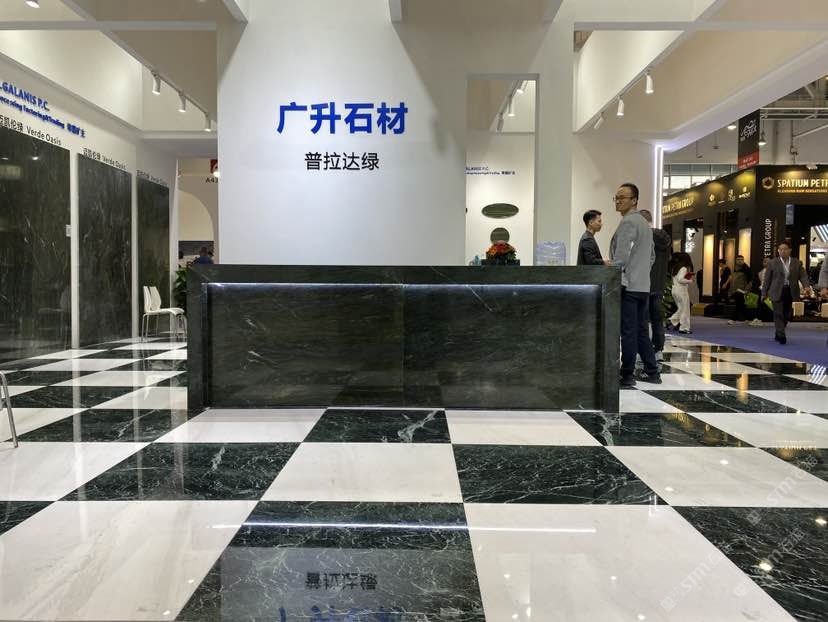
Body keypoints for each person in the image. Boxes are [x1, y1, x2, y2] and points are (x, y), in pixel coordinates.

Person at [609, 183, 661, 387]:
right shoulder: (644, 224)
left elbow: (621, 257)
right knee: (641, 330)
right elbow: (652, 256)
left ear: (634, 200)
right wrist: (640, 271)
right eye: (616, 197)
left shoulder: (628, 222)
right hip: (642, 285)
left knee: (629, 331)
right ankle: (652, 371)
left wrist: (617, 270)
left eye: (622, 197)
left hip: (628, 286)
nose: (618, 201)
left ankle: (627, 374)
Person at [761, 242, 811, 344]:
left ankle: (778, 331)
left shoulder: (797, 262)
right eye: (780, 249)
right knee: (778, 313)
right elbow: (767, 280)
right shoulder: (772, 263)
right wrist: (764, 293)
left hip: (790, 291)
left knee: (786, 314)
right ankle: (781, 335)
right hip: (776, 291)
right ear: (778, 251)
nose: (782, 251)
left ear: (789, 250)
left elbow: (803, 276)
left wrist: (806, 286)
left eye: (785, 249)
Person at [638, 209, 671, 361]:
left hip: (643, 284)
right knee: (657, 319)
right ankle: (658, 350)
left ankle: (643, 351)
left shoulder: (643, 237)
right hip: (659, 284)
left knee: (642, 320)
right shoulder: (665, 238)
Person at [668, 253, 694, 333]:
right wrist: (690, 281)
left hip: (675, 290)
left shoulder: (675, 267)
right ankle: (684, 328)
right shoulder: (683, 268)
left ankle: (671, 320)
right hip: (681, 291)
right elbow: (680, 279)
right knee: (685, 310)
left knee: (681, 309)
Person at [728, 255, 753, 323]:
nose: (740, 261)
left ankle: (733, 319)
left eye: (741, 259)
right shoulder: (735, 268)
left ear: (743, 260)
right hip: (736, 290)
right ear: (736, 261)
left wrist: (747, 289)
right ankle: (749, 319)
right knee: (741, 305)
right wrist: (731, 290)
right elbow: (733, 280)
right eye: (738, 259)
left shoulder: (746, 269)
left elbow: (750, 280)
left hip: (742, 290)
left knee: (739, 305)